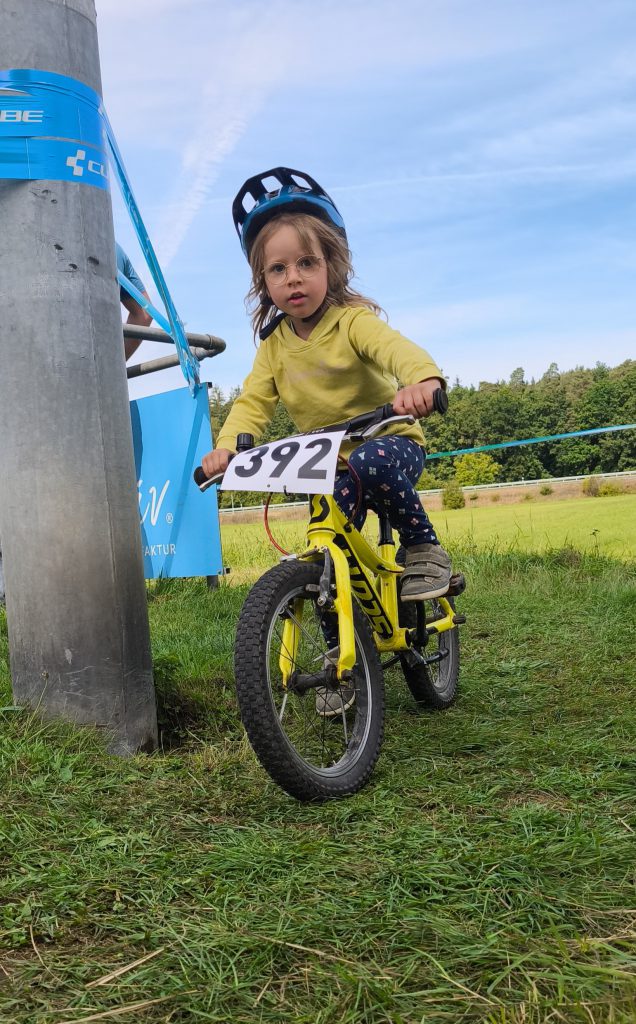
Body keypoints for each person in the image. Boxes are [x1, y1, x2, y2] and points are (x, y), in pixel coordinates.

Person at [202, 165, 451, 596]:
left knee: (369, 461)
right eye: (277, 269)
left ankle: (423, 548)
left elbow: (395, 349)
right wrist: (227, 448)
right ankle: (339, 625)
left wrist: (422, 381)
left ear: (330, 266)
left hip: (392, 444)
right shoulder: (273, 347)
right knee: (326, 554)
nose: (293, 277)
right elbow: (252, 403)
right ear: (263, 282)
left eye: (306, 263)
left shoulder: (351, 322)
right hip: (329, 465)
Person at [116, 242, 153, 361]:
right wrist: (114, 363)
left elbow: (144, 313)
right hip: (100, 363)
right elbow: (145, 313)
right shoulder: (115, 248)